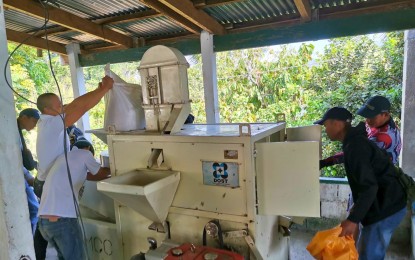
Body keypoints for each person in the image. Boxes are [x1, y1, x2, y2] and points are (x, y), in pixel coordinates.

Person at [33, 75, 114, 259]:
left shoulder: (46, 123)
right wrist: (103, 90)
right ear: (47, 109)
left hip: (47, 203)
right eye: (58, 105)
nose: (63, 107)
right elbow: (80, 107)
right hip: (57, 208)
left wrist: (96, 91)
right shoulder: (51, 123)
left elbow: (72, 106)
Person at [315, 107, 407, 259]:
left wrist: (352, 220)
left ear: (337, 124)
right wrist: (324, 163)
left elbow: (369, 187)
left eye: (326, 125)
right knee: (366, 252)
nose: (325, 130)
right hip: (385, 203)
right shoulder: (355, 141)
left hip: (386, 208)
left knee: (369, 256)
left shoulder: (356, 146)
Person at [38, 139, 110, 259]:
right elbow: (100, 173)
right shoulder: (85, 154)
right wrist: (116, 168)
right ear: (88, 148)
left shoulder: (63, 158)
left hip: (45, 224)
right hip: (62, 221)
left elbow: (88, 176)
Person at [319, 95, 401, 168]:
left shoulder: (382, 137)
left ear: (385, 115)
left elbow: (354, 153)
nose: (368, 121)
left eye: (372, 117)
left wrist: (326, 162)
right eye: (367, 116)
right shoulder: (379, 124)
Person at [17, 108, 40, 233]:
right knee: (34, 209)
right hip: (16, 176)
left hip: (20, 174)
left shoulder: (17, 131)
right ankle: (29, 245)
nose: (35, 125)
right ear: (24, 117)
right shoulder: (12, 132)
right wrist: (27, 176)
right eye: (34, 121)